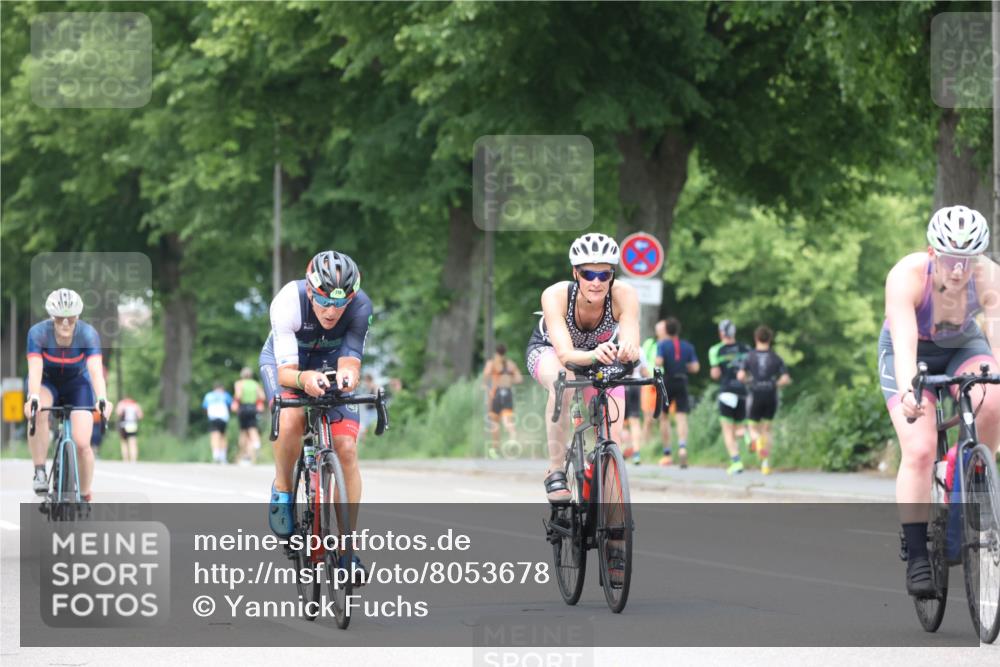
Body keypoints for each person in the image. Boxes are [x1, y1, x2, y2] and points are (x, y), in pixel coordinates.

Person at [881, 205, 999, 596]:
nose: (959, 270)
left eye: (968, 260)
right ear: (933, 252)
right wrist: (910, 391)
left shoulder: (989, 276)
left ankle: (968, 471)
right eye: (951, 259)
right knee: (918, 447)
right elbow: (902, 341)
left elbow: (996, 338)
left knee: (994, 398)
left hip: (962, 346)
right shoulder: (906, 276)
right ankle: (916, 554)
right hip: (912, 351)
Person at [260, 250, 372, 580]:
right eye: (324, 301)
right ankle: (283, 487)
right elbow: (287, 373)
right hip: (287, 366)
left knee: (347, 449)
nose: (332, 311)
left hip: (331, 363)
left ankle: (346, 550)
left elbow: (351, 357)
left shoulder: (361, 306)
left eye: (340, 303)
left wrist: (349, 376)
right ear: (311, 290)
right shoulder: (287, 302)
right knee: (291, 419)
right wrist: (305, 379)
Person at [524, 233, 641, 502]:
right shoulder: (555, 294)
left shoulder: (625, 294)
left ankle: (612, 516)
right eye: (589, 274)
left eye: (605, 275)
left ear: (613, 275)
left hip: (601, 355)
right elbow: (565, 354)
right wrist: (594, 355)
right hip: (551, 350)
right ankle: (555, 471)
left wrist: (629, 350)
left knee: (613, 435)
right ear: (575, 272)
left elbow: (631, 336)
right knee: (562, 382)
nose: (596, 282)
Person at [22, 288, 112, 500]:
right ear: (52, 316)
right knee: (40, 411)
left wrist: (102, 398)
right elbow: (34, 369)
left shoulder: (88, 334)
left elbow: (96, 371)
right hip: (46, 381)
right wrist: (32, 397)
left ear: (77, 316)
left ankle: (85, 493)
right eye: (60, 318)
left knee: (83, 445)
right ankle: (40, 471)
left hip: (77, 384)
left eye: (70, 319)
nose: (65, 324)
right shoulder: (38, 333)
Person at [737, 325, 791, 475]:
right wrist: (775, 384)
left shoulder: (749, 357)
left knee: (752, 428)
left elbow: (740, 376)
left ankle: (757, 443)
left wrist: (748, 381)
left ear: (756, 339)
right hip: (771, 394)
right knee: (767, 429)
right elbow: (785, 378)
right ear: (770, 339)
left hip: (755, 394)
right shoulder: (776, 357)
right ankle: (765, 464)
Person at [655, 317, 700, 468]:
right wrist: (682, 366)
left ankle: (667, 453)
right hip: (682, 381)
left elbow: (659, 362)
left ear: (666, 330)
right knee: (681, 416)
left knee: (664, 417)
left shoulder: (662, 345)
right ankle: (682, 447)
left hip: (667, 381)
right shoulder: (688, 346)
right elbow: (695, 368)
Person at [708, 319, 751, 474]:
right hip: (742, 392)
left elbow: (715, 373)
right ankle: (747, 435)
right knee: (739, 427)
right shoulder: (745, 348)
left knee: (727, 430)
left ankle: (736, 462)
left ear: (721, 333)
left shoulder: (716, 350)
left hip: (726, 392)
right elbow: (749, 372)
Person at [482, 343, 523, 459]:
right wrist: (509, 379)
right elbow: (519, 379)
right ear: (505, 353)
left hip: (496, 394)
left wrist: (487, 389)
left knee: (495, 424)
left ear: (496, 352)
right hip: (507, 393)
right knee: (507, 421)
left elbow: (485, 378)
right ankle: (512, 435)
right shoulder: (510, 364)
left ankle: (495, 449)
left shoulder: (492, 363)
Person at [638, 319, 669, 457]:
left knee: (663, 416)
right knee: (648, 419)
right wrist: (647, 376)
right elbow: (642, 362)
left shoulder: (668, 345)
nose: (661, 332)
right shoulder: (650, 344)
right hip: (649, 383)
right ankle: (644, 448)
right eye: (660, 329)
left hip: (662, 382)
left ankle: (662, 448)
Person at [232, 367, 265, 465]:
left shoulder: (239, 383)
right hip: (253, 408)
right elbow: (262, 396)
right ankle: (255, 446)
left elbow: (238, 395)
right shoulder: (255, 384)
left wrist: (235, 403)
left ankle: (244, 454)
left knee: (244, 432)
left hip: (243, 408)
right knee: (253, 428)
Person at [202, 383, 233, 464]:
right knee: (223, 436)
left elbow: (205, 407)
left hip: (213, 417)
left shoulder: (208, 395)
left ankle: (216, 455)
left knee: (214, 436)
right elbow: (230, 406)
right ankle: (223, 457)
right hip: (223, 417)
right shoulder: (225, 395)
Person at [116, 396, 144, 463]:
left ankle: (125, 460)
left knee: (124, 443)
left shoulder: (121, 404)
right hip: (132, 425)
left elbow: (118, 413)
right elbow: (140, 416)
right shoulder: (135, 405)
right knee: (133, 443)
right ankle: (133, 460)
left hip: (123, 425)